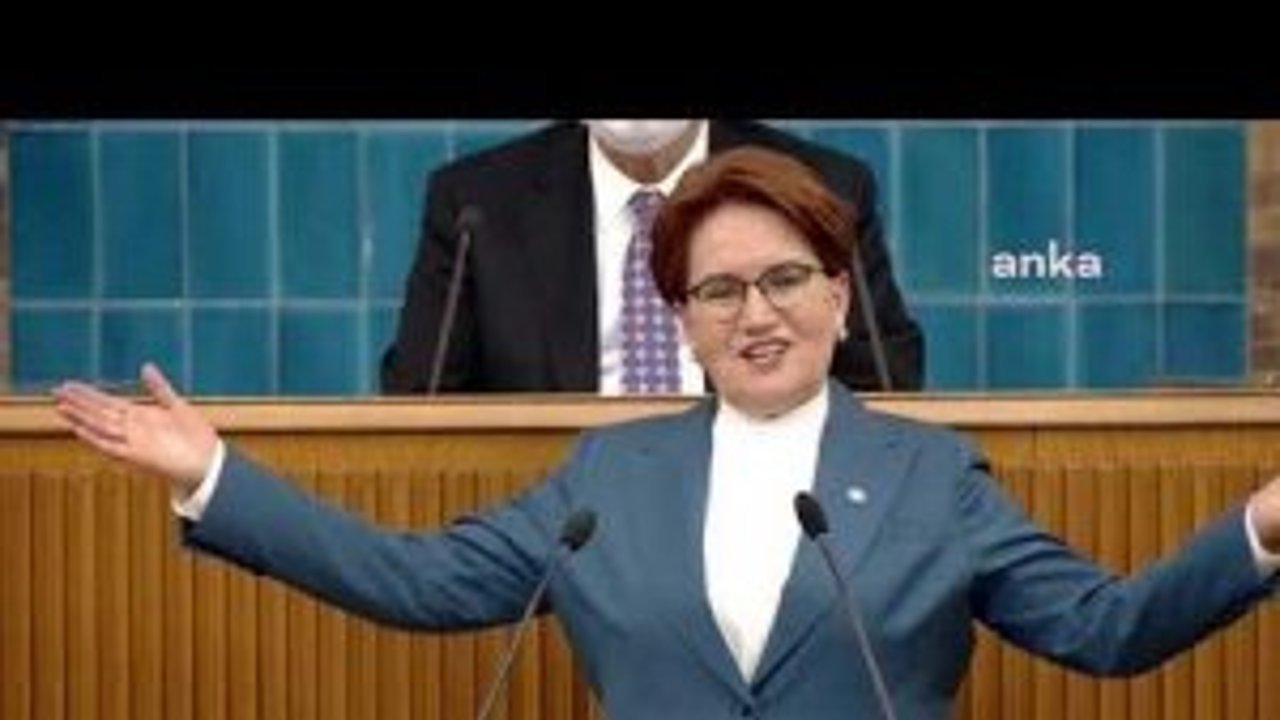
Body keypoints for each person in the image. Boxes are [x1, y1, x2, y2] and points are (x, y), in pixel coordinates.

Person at [54, 147, 1280, 720]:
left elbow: (1105, 631)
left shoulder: (930, 476)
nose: (756, 315)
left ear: (838, 294)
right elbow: (421, 583)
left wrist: (1261, 526)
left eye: (785, 280)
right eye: (718, 291)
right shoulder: (611, 477)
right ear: (681, 322)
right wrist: (214, 475)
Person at [380, 119, 924, 395]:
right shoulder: (476, 203)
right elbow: (421, 400)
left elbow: (883, 383)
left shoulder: (821, 184)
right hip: (555, 518)